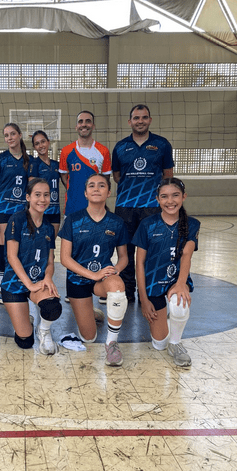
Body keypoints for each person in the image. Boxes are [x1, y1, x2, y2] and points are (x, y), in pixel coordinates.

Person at [59, 173, 129, 366]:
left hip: (102, 280)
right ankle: (91, 312)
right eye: (91, 186)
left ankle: (112, 344)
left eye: (101, 185)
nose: (96, 189)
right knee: (88, 338)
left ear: (109, 192)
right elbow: (64, 258)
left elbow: (124, 257)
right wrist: (93, 274)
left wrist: (115, 270)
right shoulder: (73, 220)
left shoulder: (116, 222)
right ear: (85, 193)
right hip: (77, 280)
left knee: (117, 287)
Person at [133, 177, 200, 368]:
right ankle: (169, 327)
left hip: (176, 279)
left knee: (179, 303)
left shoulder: (192, 224)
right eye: (164, 196)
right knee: (159, 344)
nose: (170, 201)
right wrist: (143, 299)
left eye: (175, 195)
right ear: (157, 199)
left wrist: (181, 284)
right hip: (153, 283)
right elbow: (140, 263)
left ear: (184, 197)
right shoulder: (147, 224)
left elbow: (186, 255)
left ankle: (176, 343)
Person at [112, 104, 174, 303]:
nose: (140, 121)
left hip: (152, 207)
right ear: (130, 121)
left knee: (152, 252)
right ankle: (128, 292)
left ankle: (148, 292)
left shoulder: (162, 144)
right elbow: (117, 176)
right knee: (125, 252)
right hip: (125, 207)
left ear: (150, 120)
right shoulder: (120, 146)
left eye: (144, 117)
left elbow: (168, 176)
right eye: (136, 118)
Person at [1, 178, 62, 354]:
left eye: (46, 195)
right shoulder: (17, 219)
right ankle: (25, 321)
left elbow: (50, 261)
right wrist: (29, 285)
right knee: (25, 342)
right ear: (28, 197)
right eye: (37, 195)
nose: (42, 199)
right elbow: (11, 256)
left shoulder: (49, 227)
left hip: (38, 281)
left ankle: (43, 331)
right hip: (14, 283)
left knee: (53, 306)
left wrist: (48, 277)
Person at [0, 122, 31, 304]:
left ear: (20, 135)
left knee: (20, 250)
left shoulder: (29, 160)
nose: (9, 138)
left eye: (12, 134)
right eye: (6, 135)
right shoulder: (0, 159)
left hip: (22, 212)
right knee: (4, 249)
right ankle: (1, 288)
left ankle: (17, 284)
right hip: (3, 210)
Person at [59, 111, 111, 216]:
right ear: (76, 127)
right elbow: (64, 177)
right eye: (80, 121)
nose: (84, 124)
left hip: (96, 211)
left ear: (93, 126)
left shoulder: (103, 151)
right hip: (72, 209)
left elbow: (105, 179)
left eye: (88, 121)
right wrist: (75, 189)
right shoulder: (66, 151)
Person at [29, 130, 61, 237]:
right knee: (39, 242)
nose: (41, 145)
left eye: (43, 142)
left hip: (55, 209)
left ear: (48, 142)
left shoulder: (56, 165)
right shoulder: (34, 164)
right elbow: (31, 188)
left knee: (51, 243)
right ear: (34, 147)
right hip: (41, 210)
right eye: (37, 143)